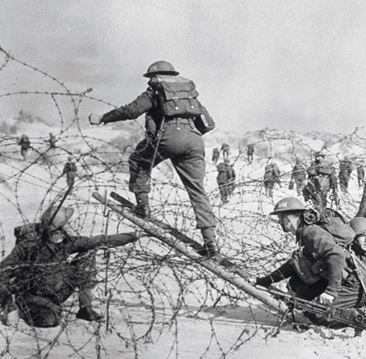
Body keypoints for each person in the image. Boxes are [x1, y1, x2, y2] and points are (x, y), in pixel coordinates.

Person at [88, 60, 218, 256]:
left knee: (138, 161)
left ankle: (143, 206)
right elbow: (209, 124)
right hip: (194, 140)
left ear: (154, 77)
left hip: (168, 138)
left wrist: (104, 117)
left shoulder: (156, 90)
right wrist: (189, 135)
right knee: (197, 190)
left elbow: (131, 111)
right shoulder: (189, 92)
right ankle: (210, 242)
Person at [0, 201, 139, 327]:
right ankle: (22, 309)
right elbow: (2, 273)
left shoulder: (66, 243)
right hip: (34, 296)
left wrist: (133, 236)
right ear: (58, 228)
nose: (70, 225)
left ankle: (85, 308)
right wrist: (9, 305)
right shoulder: (29, 247)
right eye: (67, 223)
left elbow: (99, 241)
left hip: (58, 290)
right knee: (49, 321)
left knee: (88, 253)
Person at [254, 197, 347, 305]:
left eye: (280, 218)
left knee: (317, 314)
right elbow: (292, 266)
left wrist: (331, 291)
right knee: (297, 289)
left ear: (288, 219)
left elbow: (336, 255)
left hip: (347, 284)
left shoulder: (311, 232)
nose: (279, 222)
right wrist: (265, 281)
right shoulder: (303, 234)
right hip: (338, 280)